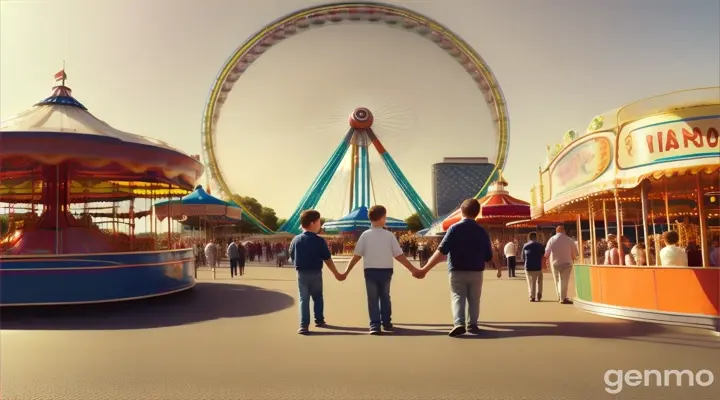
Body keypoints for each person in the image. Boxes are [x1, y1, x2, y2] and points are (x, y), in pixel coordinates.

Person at [416, 199, 493, 337]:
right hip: (476, 271)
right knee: (474, 299)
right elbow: (488, 256)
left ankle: (459, 323)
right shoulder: (482, 231)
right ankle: (473, 324)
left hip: (456, 270)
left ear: (461, 211)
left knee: (457, 296)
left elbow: (441, 251)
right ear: (477, 213)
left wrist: (425, 269)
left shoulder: (454, 228)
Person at [342, 205, 420, 335]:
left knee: (372, 298)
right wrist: (412, 269)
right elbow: (399, 255)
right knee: (385, 296)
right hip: (386, 270)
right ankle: (387, 322)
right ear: (383, 218)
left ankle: (374, 325)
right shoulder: (389, 236)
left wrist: (345, 272)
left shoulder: (365, 235)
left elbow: (356, 256)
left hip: (370, 271)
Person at [289, 209, 344, 334]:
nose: (320, 224)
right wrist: (336, 273)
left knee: (304, 298)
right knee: (318, 297)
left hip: (301, 274)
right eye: (319, 221)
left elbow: (291, 255)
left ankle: (303, 325)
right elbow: (327, 259)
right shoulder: (319, 241)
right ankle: (319, 319)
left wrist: (297, 265)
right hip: (316, 273)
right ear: (313, 223)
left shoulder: (296, 240)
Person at [544, 226, 577, 304]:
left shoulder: (551, 239)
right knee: (564, 281)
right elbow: (575, 254)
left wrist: (546, 260)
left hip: (555, 263)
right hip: (567, 263)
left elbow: (546, 253)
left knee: (557, 280)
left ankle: (559, 296)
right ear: (564, 231)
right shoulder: (570, 240)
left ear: (556, 231)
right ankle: (563, 297)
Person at [522, 232, 545, 302]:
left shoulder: (525, 245)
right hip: (538, 267)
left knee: (531, 282)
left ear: (529, 238)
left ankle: (532, 296)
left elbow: (523, 256)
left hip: (528, 267)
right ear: (536, 237)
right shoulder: (540, 245)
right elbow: (543, 255)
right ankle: (539, 293)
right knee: (540, 281)